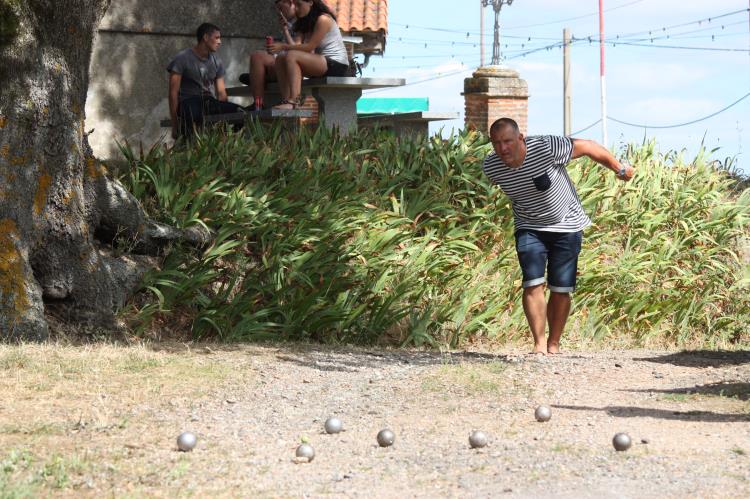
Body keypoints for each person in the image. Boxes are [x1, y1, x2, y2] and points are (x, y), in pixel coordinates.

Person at [483, 118, 635, 355]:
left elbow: (588, 146)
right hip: (529, 226)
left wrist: (620, 169)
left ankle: (554, 343)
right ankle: (539, 344)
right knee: (532, 283)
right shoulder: (492, 167)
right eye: (496, 143)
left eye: (508, 141)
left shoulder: (546, 147)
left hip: (567, 224)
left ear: (520, 138)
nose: (503, 149)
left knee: (560, 288)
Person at [167, 23, 243, 139]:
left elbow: (221, 93)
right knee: (194, 115)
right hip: (188, 102)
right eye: (216, 38)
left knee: (240, 112)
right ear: (206, 37)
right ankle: (188, 147)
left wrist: (225, 117)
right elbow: (173, 93)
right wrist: (174, 124)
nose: (220, 42)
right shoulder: (182, 58)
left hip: (209, 102)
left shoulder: (217, 61)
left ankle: (226, 142)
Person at [269, 0, 349, 109]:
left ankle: (294, 101)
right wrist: (286, 30)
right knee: (281, 58)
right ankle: (286, 100)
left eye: (299, 5)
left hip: (336, 64)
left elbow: (309, 47)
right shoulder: (303, 22)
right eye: (294, 5)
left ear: (310, 2)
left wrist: (283, 46)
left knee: (290, 55)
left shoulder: (323, 19)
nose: (296, 9)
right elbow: (296, 46)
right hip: (321, 63)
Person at [245, 0, 298, 111]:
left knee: (260, 58)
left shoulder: (303, 21)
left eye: (281, 8)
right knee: (257, 56)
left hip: (294, 63)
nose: (280, 12)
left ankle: (257, 77)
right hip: (282, 60)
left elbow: (299, 48)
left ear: (291, 3)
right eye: (278, 10)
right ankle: (258, 104)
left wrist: (283, 43)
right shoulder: (289, 23)